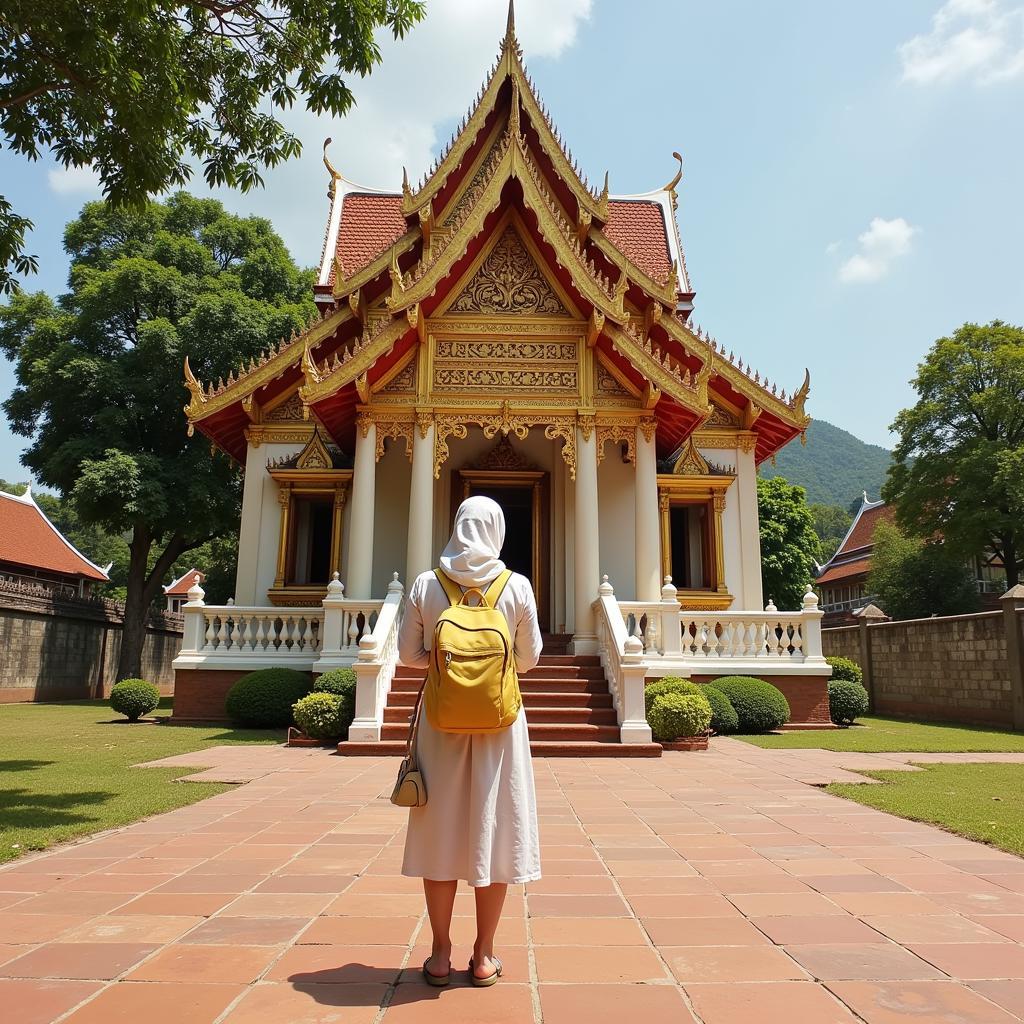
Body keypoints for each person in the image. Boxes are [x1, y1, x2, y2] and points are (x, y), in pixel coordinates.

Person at [397, 494, 543, 988]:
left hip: (441, 724)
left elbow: (409, 656)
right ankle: (484, 955)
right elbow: (528, 660)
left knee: (440, 829)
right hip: (501, 726)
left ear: (457, 526)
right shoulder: (516, 586)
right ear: (498, 531)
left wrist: (449, 668)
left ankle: (440, 953)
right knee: (496, 829)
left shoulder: (425, 584)